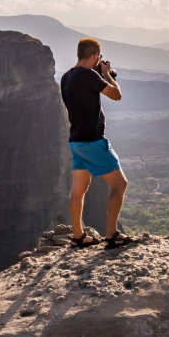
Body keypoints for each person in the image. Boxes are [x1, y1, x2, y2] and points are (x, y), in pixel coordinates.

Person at [60, 37, 130, 249]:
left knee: (79, 188)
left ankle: (78, 236)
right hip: (92, 140)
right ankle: (112, 235)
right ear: (95, 57)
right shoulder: (90, 75)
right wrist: (107, 74)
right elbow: (116, 95)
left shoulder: (66, 77)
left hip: (76, 141)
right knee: (119, 184)